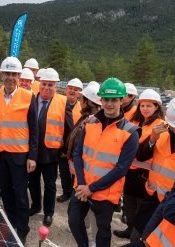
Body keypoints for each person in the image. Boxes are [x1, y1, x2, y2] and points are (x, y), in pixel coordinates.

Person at [68, 77, 140, 247]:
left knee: (102, 231)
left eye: (114, 99)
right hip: (81, 186)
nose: (109, 104)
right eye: (106, 99)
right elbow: (78, 154)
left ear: (121, 100)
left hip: (105, 193)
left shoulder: (130, 133)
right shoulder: (90, 123)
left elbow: (121, 169)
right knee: (74, 221)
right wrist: (83, 184)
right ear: (101, 99)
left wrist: (91, 188)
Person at [0, 56, 38, 244]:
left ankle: (22, 229)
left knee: (21, 195)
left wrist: (32, 156)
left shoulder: (28, 96)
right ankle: (11, 224)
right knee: (6, 193)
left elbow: (34, 129)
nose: (10, 77)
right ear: (1, 75)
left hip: (20, 156)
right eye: (7, 73)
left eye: (14, 74)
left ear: (19, 76)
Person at [114, 89, 164, 241]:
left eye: (149, 106)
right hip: (130, 172)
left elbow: (143, 154)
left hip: (145, 176)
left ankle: (137, 236)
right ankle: (130, 229)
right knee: (129, 207)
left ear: (156, 107)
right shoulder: (135, 121)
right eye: (142, 105)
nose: (145, 109)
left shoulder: (160, 126)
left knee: (139, 210)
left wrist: (152, 138)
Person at [28, 68, 66, 227]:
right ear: (39, 84)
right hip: (32, 152)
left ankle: (49, 213)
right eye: (44, 84)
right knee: (33, 182)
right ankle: (36, 206)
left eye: (50, 85)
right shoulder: (30, 100)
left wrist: (65, 151)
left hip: (51, 153)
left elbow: (69, 127)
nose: (46, 88)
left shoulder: (62, 103)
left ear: (55, 86)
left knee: (50, 185)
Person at [67, 82, 102, 247]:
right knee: (79, 212)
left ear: (89, 101)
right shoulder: (85, 117)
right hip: (81, 172)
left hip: (92, 176)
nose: (80, 100)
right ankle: (85, 231)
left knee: (95, 213)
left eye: (83, 98)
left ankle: (94, 240)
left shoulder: (94, 121)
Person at [57, 78, 83, 203]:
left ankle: (73, 194)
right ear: (66, 89)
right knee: (63, 172)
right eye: (70, 88)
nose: (72, 91)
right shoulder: (59, 104)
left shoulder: (81, 108)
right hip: (62, 146)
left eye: (76, 89)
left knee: (75, 173)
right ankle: (66, 193)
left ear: (79, 93)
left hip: (75, 148)